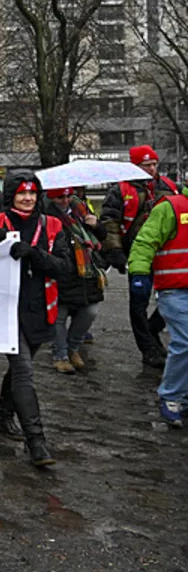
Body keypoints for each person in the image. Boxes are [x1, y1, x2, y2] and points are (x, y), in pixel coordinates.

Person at [0, 170, 71, 466]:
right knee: (23, 370)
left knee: (20, 367)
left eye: (32, 193)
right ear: (11, 195)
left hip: (38, 309)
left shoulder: (53, 224)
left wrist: (34, 254)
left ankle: (3, 415)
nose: (27, 198)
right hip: (3, 308)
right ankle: (36, 441)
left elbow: (63, 267)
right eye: (22, 192)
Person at [102, 145, 180, 368]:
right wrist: (115, 250)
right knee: (139, 301)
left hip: (165, 254)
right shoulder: (120, 190)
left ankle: (152, 329)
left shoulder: (168, 186)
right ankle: (147, 349)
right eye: (147, 165)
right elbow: (110, 221)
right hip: (137, 255)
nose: (152, 169)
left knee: (170, 297)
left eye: (154, 164)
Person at [128, 185, 188, 427]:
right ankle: (171, 396)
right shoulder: (171, 208)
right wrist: (139, 272)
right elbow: (145, 242)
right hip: (175, 290)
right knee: (185, 341)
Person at [44, 187, 106, 375]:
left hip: (86, 272)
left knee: (90, 311)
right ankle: (60, 355)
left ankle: (73, 348)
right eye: (60, 197)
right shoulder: (45, 215)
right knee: (59, 316)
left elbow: (101, 237)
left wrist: (96, 225)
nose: (65, 201)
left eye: (68, 196)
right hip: (62, 271)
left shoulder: (81, 209)